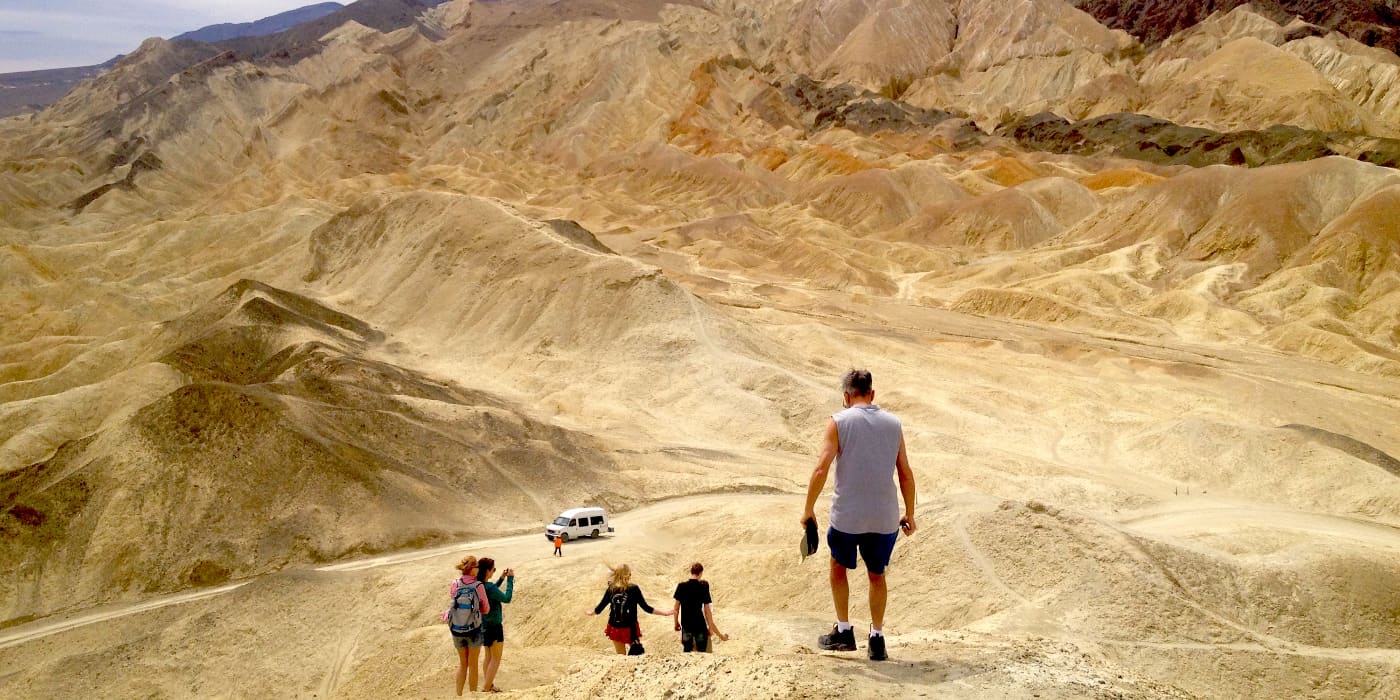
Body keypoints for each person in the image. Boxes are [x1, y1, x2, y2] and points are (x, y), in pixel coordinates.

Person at [800, 369, 917, 661]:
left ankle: (843, 631)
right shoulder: (894, 423)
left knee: (838, 566)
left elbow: (820, 468)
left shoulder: (838, 422)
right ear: (872, 394)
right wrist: (910, 513)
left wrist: (808, 509)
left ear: (846, 396)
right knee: (877, 574)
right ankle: (877, 639)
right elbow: (905, 473)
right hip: (884, 516)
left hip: (848, 516)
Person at [585, 563, 674, 654]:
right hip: (630, 628)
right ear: (628, 575)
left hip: (615, 627)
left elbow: (599, 608)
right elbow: (646, 608)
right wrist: (665, 613)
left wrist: (591, 612)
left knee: (621, 657)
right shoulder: (634, 589)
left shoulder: (611, 589)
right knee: (637, 654)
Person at [444, 555, 490, 695]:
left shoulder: (455, 583)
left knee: (463, 664)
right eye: (477, 567)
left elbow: (454, 602)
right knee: (473, 664)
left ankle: (458, 695)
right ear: (472, 569)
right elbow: (486, 609)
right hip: (474, 630)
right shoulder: (478, 586)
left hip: (457, 629)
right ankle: (472, 696)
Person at [672, 562, 728, 652]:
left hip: (686, 626)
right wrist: (710, 628)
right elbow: (707, 611)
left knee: (687, 652)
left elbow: (676, 608)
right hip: (700, 627)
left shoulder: (681, 586)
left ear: (691, 572)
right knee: (703, 653)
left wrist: (676, 623)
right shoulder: (703, 587)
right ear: (700, 573)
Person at [477, 558, 514, 693]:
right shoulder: (489, 587)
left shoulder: (479, 585)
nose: (494, 571)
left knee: (488, 657)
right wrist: (510, 579)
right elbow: (506, 598)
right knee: (495, 659)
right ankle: (486, 689)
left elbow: (491, 591)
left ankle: (489, 685)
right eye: (493, 569)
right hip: (494, 626)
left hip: (483, 625)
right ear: (488, 571)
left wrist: (501, 579)